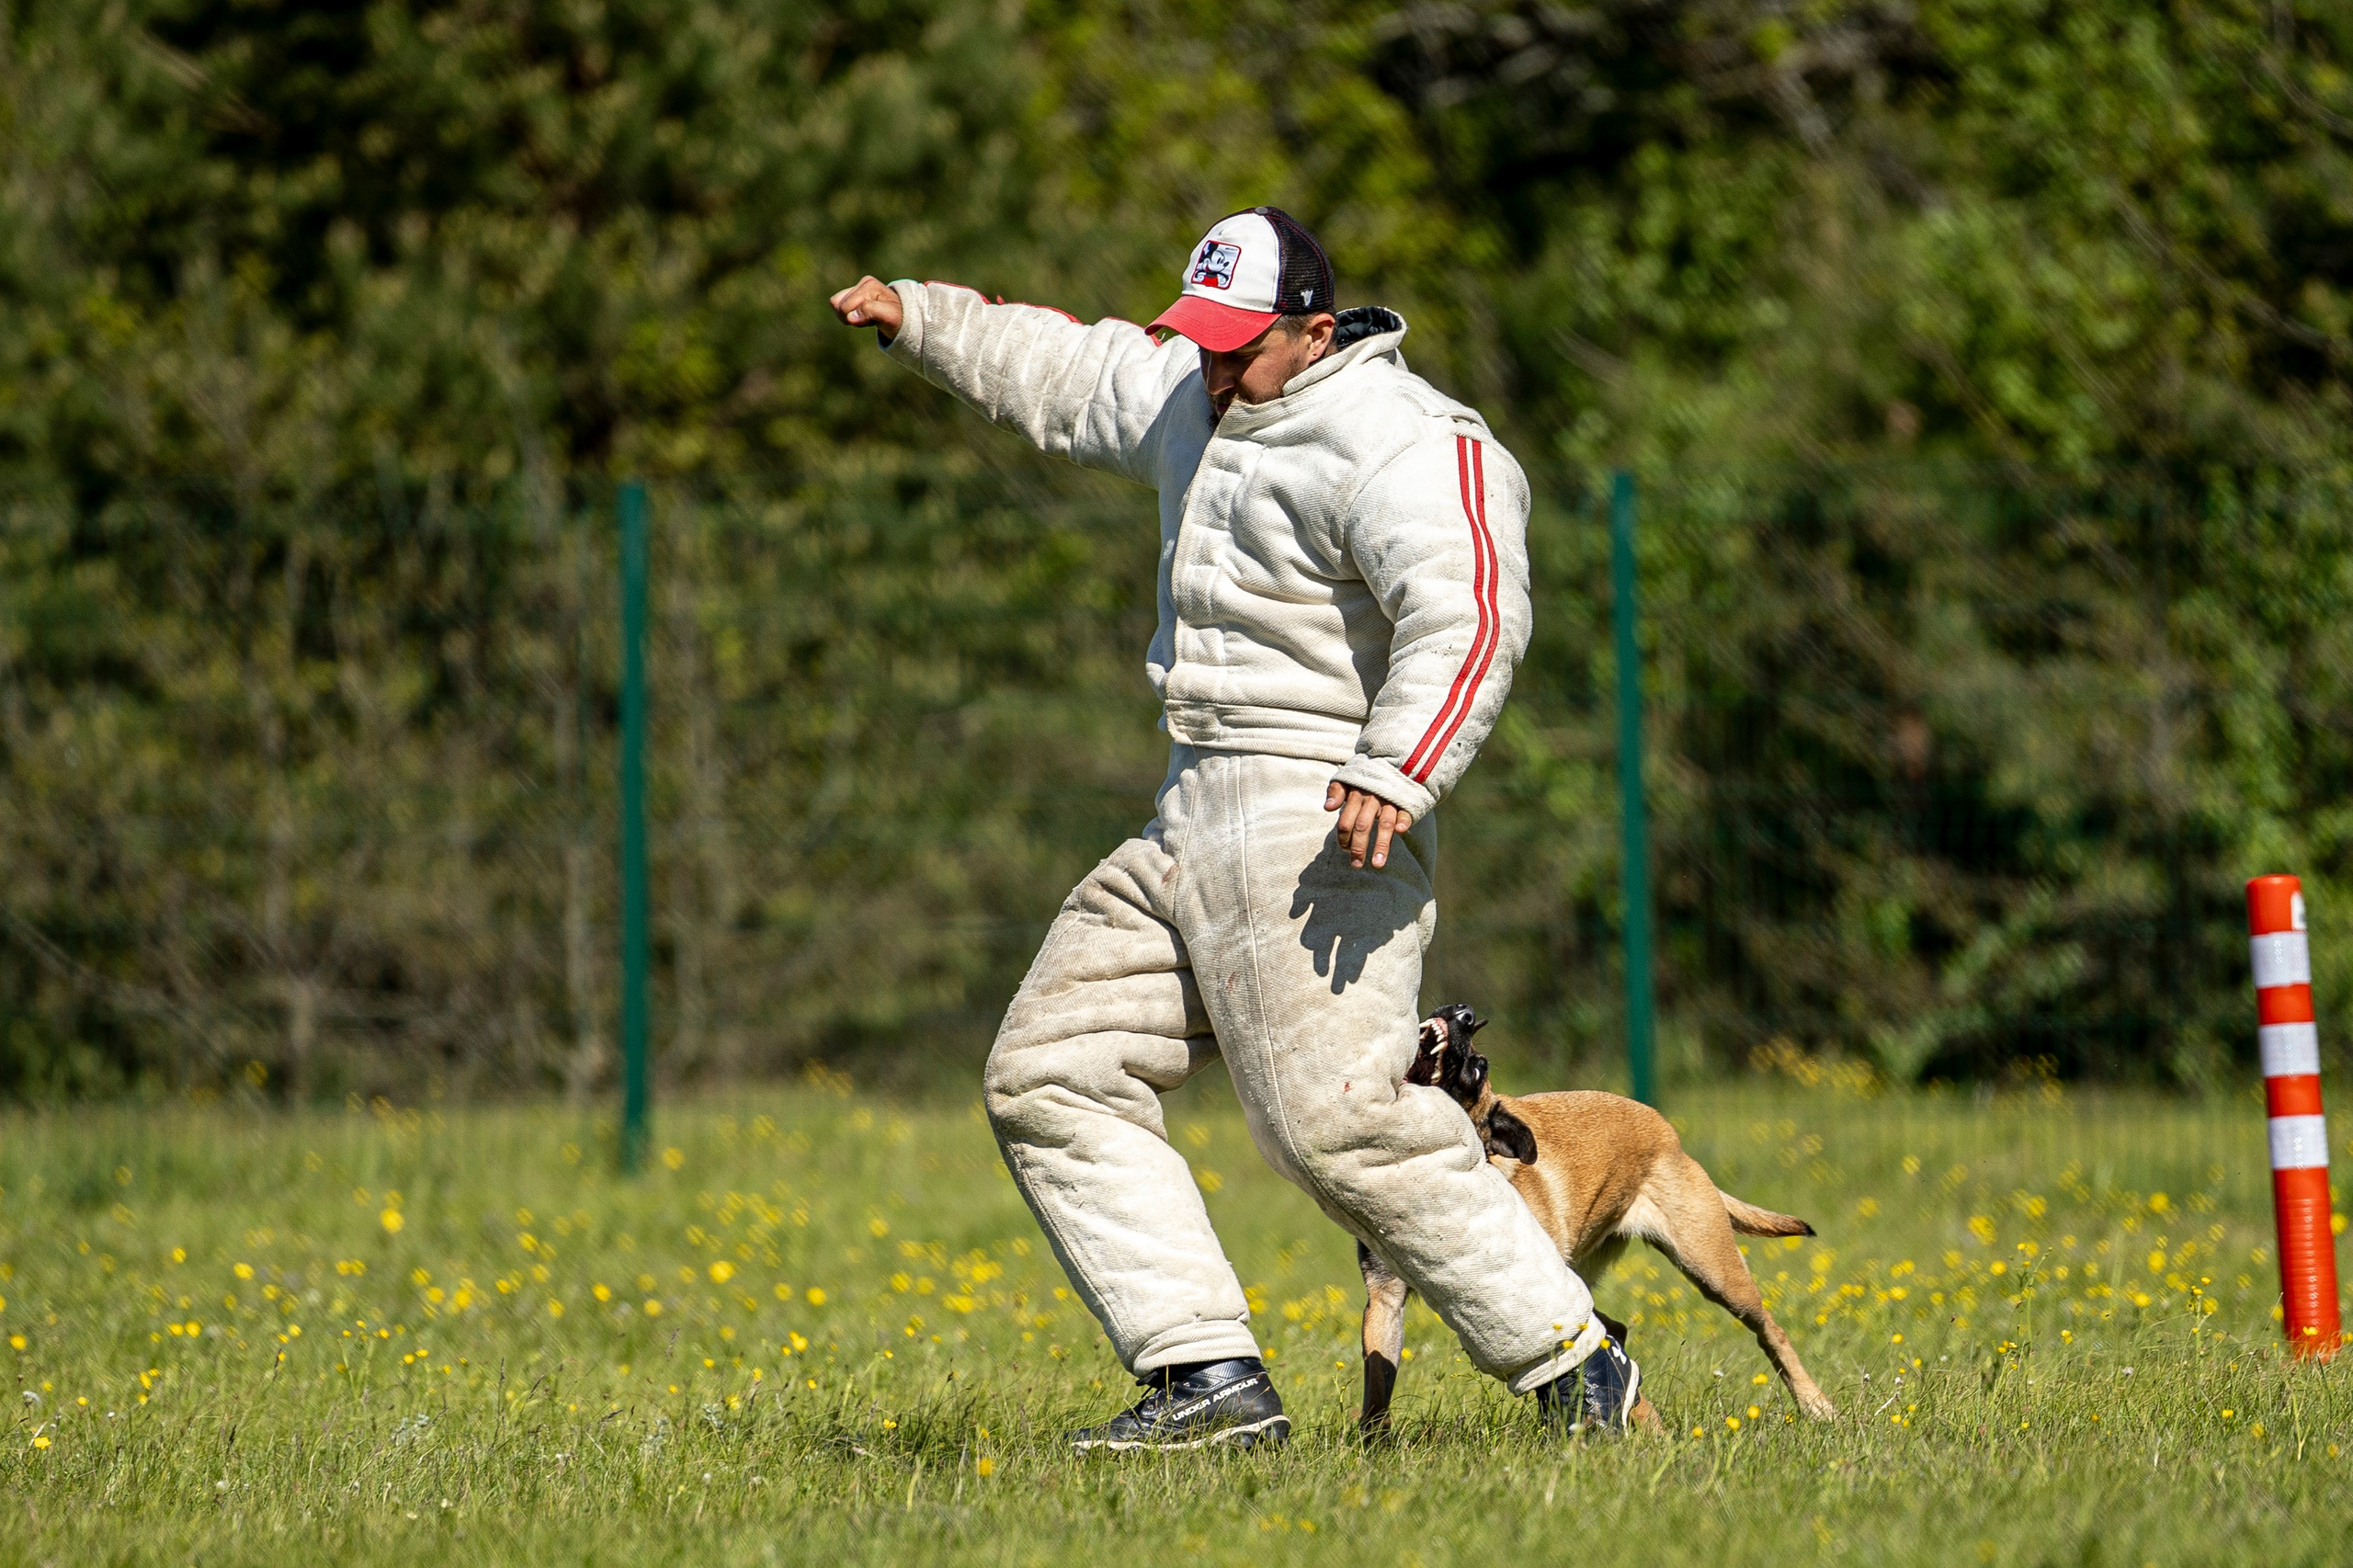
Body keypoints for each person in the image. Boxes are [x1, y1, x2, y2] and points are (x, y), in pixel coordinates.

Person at [829, 208, 1636, 1449]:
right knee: (1052, 1070)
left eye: (1239, 350)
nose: (1212, 372)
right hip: (1189, 805)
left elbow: (1470, 616)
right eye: (1198, 343)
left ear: (1315, 331)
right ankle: (1206, 1377)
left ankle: (1574, 1361)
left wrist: (1399, 766)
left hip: (1324, 815)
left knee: (1341, 1124)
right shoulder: (1193, 388)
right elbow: (1067, 369)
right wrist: (926, 318)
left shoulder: (1408, 440)